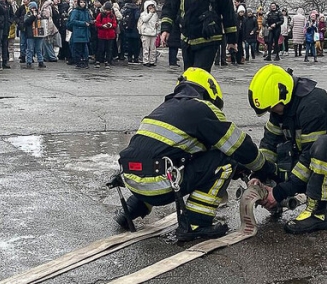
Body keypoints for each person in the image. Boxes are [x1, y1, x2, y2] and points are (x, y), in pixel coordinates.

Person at [114, 67, 276, 240]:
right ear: (209, 93)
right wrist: (264, 167)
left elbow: (189, 154)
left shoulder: (163, 109)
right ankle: (196, 223)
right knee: (225, 160)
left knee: (157, 165)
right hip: (160, 186)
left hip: (132, 181)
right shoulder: (202, 108)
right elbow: (240, 146)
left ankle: (130, 210)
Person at [247, 65, 327, 234]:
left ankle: (317, 214)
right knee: (286, 160)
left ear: (283, 94)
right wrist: (259, 175)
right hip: (322, 151)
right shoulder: (281, 107)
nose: (271, 112)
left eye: (272, 107)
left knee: (323, 146)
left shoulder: (311, 105)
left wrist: (279, 193)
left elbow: (309, 157)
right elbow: (269, 145)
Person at [94, 1, 118, 68]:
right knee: (101, 48)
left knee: (109, 49)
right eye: (106, 10)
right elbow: (97, 23)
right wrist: (102, 26)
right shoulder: (100, 15)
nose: (107, 11)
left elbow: (115, 24)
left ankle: (108, 61)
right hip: (102, 34)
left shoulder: (112, 16)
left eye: (109, 10)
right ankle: (98, 60)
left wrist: (111, 25)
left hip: (110, 35)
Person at [138, 0, 159, 67]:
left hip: (153, 33)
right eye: (149, 7)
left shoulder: (155, 15)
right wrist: (150, 13)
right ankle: (145, 61)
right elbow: (145, 20)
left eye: (152, 7)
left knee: (153, 48)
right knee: (146, 48)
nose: (151, 8)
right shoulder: (143, 14)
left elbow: (157, 23)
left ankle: (152, 61)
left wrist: (158, 29)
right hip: (145, 33)